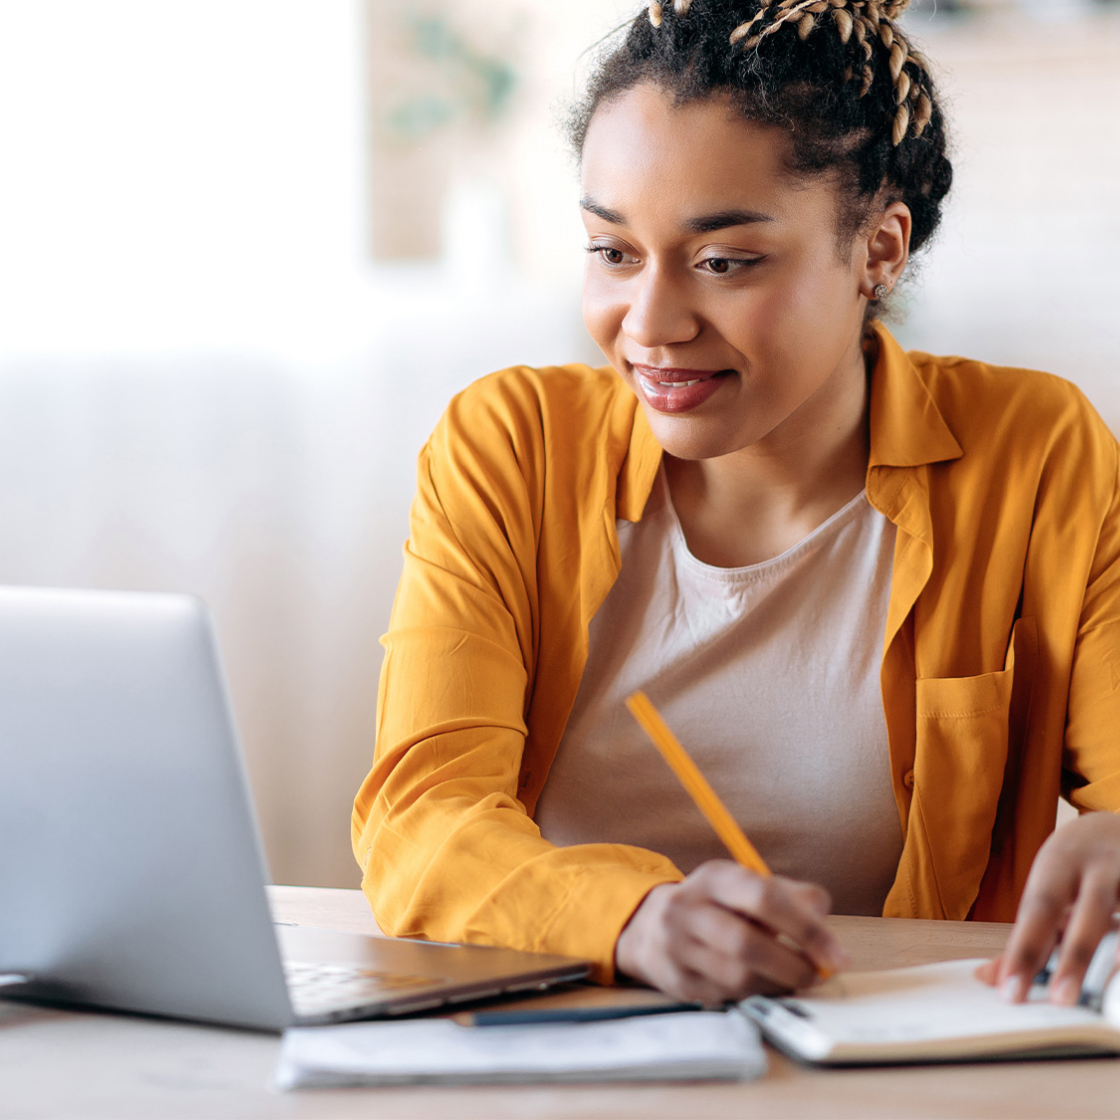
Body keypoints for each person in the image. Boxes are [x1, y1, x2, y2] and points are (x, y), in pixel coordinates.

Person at [352, 0, 1120, 1008]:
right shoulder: (509, 447)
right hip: (568, 1046)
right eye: (613, 252)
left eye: (723, 262)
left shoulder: (1034, 451)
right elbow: (421, 815)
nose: (651, 322)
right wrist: (632, 918)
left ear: (878, 250)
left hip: (897, 1066)